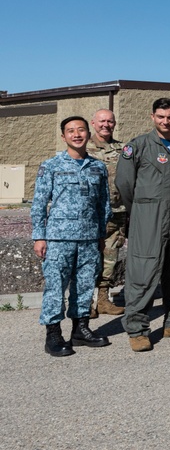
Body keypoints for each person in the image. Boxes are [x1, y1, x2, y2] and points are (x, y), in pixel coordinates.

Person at [116, 97, 170, 351]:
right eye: (161, 117)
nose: (166, 121)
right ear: (152, 117)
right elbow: (124, 184)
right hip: (147, 215)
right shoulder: (138, 146)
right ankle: (138, 329)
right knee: (143, 270)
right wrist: (141, 210)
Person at [32, 116, 112, 357]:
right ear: (63, 136)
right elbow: (38, 203)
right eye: (70, 131)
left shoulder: (98, 167)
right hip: (58, 238)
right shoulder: (51, 165)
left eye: (81, 130)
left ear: (88, 133)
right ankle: (53, 334)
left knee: (86, 285)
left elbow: (103, 204)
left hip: (89, 238)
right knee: (56, 288)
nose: (76, 134)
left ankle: (80, 329)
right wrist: (39, 236)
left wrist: (101, 234)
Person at [86, 108, 126, 317]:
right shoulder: (83, 148)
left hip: (117, 212)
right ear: (93, 123)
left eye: (110, 121)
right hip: (91, 214)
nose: (106, 125)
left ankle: (103, 299)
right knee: (87, 257)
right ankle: (85, 302)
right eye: (102, 121)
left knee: (110, 256)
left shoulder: (123, 150)